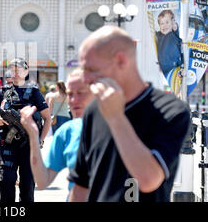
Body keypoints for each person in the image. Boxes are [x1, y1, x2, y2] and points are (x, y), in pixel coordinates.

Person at [66, 26, 190, 202]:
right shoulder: (94, 110)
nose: (85, 79)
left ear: (121, 60)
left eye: (92, 69)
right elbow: (81, 185)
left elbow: (149, 180)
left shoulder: (170, 110)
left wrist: (116, 117)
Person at [19, 68, 94, 200]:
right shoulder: (67, 131)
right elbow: (42, 181)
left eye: (81, 93)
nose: (73, 100)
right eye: (70, 94)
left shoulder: (118, 127)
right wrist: (33, 136)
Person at [0, 58, 51, 202]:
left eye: (19, 69)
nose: (15, 72)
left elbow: (47, 118)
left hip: (28, 146)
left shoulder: (34, 93)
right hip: (7, 144)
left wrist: (40, 140)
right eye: (13, 69)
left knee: (27, 186)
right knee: (6, 181)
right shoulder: (3, 92)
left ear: (26, 71)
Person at [155, 9, 183, 77]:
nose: (164, 25)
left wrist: (174, 25)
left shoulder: (174, 34)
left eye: (167, 22)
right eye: (162, 23)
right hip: (161, 67)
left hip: (173, 67)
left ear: (172, 23)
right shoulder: (158, 35)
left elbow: (176, 29)